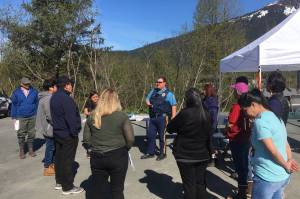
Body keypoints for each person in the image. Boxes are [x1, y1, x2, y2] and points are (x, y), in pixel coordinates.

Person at [239, 89, 298, 199]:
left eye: (245, 110)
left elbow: (272, 150)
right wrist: (289, 160)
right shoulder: (276, 116)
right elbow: (285, 142)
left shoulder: (260, 122)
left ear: (253, 105)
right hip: (282, 176)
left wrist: (287, 164)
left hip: (267, 176)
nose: (245, 114)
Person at [82, 89, 134, 199]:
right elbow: (130, 139)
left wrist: (91, 150)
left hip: (97, 157)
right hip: (118, 156)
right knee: (117, 190)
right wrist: (126, 149)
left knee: (98, 191)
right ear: (116, 101)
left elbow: (86, 140)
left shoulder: (91, 116)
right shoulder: (122, 116)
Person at [167, 88, 212, 199]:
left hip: (185, 155)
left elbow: (170, 128)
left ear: (188, 100)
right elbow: (209, 134)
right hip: (203, 154)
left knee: (189, 185)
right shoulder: (206, 114)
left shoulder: (185, 113)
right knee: (200, 184)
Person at [50, 76, 83, 195]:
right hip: (68, 134)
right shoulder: (66, 99)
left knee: (59, 158)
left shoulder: (54, 97)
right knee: (68, 160)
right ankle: (68, 187)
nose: (72, 86)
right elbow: (71, 118)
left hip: (58, 132)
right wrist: (74, 132)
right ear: (65, 85)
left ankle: (59, 182)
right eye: (70, 84)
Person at [226, 79, 251, 199]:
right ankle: (244, 190)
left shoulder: (236, 106)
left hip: (236, 139)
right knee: (245, 166)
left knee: (240, 167)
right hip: (246, 139)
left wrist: (225, 129)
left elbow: (230, 124)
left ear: (238, 92)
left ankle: (242, 194)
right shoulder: (248, 105)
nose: (233, 93)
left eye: (234, 90)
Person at [141, 76, 177, 161]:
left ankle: (162, 153)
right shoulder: (153, 91)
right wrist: (148, 103)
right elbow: (147, 99)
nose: (157, 83)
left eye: (160, 82)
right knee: (150, 136)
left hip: (163, 118)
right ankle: (151, 153)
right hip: (153, 118)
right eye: (157, 82)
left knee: (162, 136)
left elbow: (174, 106)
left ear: (164, 83)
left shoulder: (169, 94)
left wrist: (173, 118)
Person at [11, 77, 39, 159]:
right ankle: (22, 150)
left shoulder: (34, 91)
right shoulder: (16, 93)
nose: (28, 85)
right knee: (21, 134)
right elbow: (14, 105)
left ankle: (30, 149)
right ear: (21, 84)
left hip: (32, 115)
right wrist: (14, 117)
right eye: (26, 83)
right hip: (20, 116)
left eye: (28, 83)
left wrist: (36, 112)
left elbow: (36, 103)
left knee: (32, 133)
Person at [35, 78, 57, 176]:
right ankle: (47, 167)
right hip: (49, 127)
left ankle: (51, 165)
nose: (57, 88)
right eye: (55, 86)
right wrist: (59, 124)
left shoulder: (46, 97)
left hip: (47, 127)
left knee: (52, 146)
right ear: (51, 88)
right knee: (51, 147)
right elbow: (50, 116)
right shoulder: (49, 98)